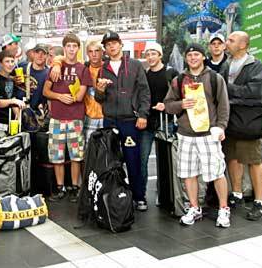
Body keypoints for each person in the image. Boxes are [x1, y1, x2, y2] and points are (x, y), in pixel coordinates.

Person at [164, 43, 231, 227]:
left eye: (196, 54)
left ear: (203, 57)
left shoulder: (215, 78)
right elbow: (168, 104)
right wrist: (181, 105)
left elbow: (224, 106)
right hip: (186, 134)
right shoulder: (179, 80)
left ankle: (224, 209)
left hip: (208, 133)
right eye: (189, 55)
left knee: (217, 172)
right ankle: (194, 208)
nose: (193, 58)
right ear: (186, 58)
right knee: (188, 173)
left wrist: (221, 127)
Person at [95, 31, 150, 211]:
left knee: (133, 159)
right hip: (110, 120)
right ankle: (113, 194)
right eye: (108, 44)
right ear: (105, 49)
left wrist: (142, 114)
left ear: (121, 44)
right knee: (110, 161)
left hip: (129, 120)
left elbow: (144, 92)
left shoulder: (134, 65)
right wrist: (100, 90)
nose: (111, 46)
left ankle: (139, 196)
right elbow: (99, 99)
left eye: (114, 43)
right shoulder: (103, 69)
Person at [220, 31, 262, 221]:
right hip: (229, 120)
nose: (226, 42)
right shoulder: (226, 64)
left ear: (242, 45)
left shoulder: (256, 65)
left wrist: (227, 90)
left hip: (248, 120)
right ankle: (237, 194)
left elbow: (254, 91)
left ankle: (259, 201)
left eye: (231, 40)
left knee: (253, 160)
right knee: (232, 157)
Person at [43, 33, 92, 203]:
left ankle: (75, 187)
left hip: (75, 118)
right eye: (68, 46)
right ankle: (60, 187)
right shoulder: (55, 68)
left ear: (79, 49)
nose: (71, 49)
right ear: (64, 48)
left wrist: (72, 95)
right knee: (57, 156)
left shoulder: (82, 69)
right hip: (57, 118)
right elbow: (45, 91)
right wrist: (59, 96)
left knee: (76, 156)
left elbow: (79, 97)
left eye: (74, 46)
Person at [139, 42, 178, 211]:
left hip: (165, 121)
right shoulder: (145, 74)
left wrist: (166, 106)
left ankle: (166, 194)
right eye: (147, 54)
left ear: (160, 55)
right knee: (142, 159)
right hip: (148, 122)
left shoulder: (171, 73)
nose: (150, 57)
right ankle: (141, 195)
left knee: (166, 160)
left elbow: (178, 96)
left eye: (153, 53)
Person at [0, 50, 26, 135]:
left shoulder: (11, 80)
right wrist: (12, 101)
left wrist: (19, 118)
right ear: (0, 63)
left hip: (9, 123)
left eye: (12, 61)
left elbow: (12, 98)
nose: (10, 64)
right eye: (7, 61)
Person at [82, 40, 104, 145]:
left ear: (102, 52)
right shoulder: (83, 70)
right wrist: (57, 64)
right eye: (91, 51)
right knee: (89, 152)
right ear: (87, 54)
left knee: (108, 153)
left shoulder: (109, 69)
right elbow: (62, 58)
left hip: (106, 117)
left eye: (97, 51)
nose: (94, 54)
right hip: (89, 117)